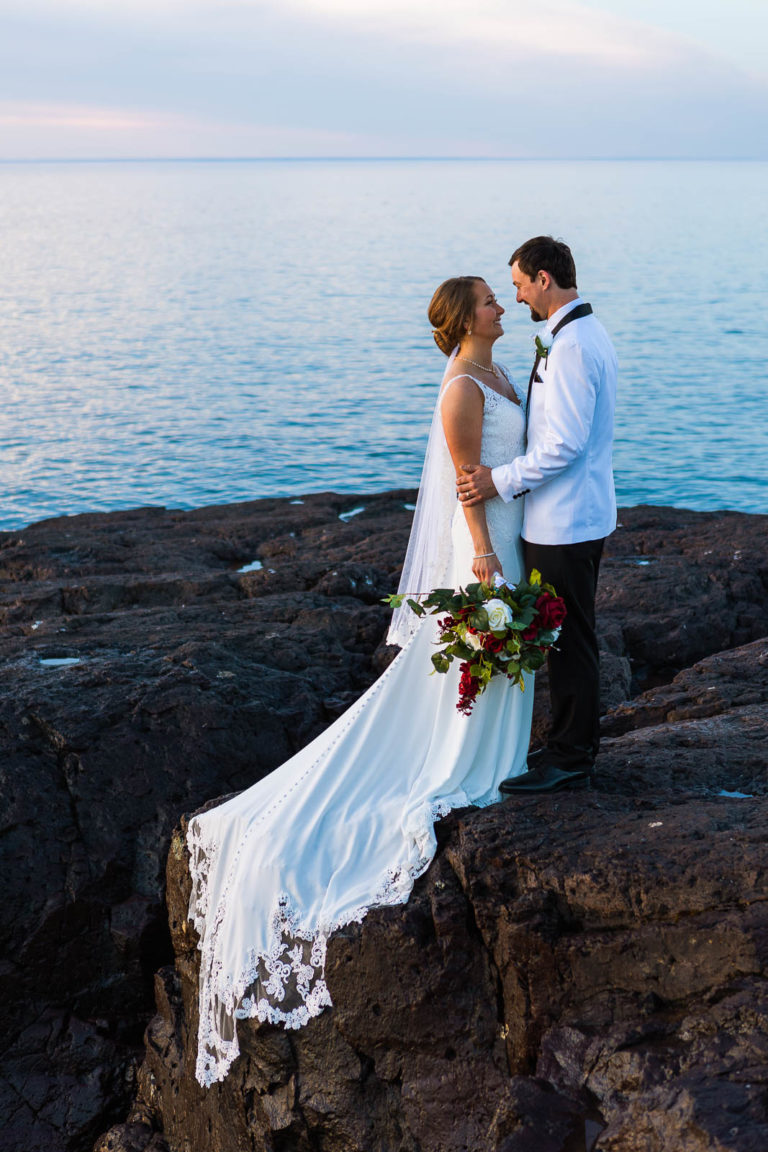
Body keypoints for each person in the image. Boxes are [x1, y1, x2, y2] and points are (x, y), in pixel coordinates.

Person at [185, 276, 534, 1087]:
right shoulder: (460, 387)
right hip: (485, 547)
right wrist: (481, 555)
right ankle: (461, 756)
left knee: (499, 655)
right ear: (462, 319)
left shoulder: (500, 375)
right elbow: (463, 478)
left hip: (515, 534)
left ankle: (493, 750)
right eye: (489, 300)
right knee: (473, 656)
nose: (500, 308)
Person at [457, 237, 618, 794]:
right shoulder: (573, 335)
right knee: (569, 636)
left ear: (544, 279)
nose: (517, 296)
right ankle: (570, 747)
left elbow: (565, 445)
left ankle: (571, 758)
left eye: (521, 284)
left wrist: (497, 480)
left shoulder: (572, 346)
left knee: (569, 639)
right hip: (568, 515)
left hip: (566, 520)